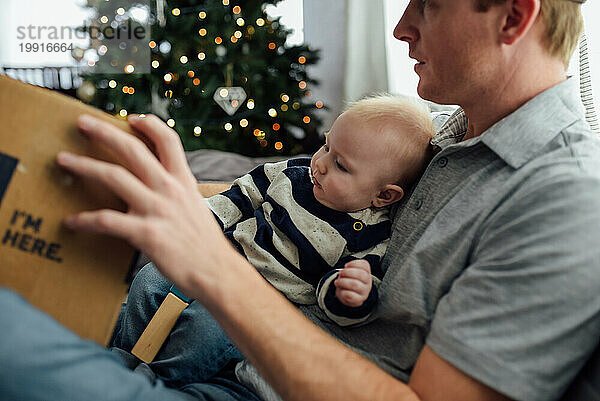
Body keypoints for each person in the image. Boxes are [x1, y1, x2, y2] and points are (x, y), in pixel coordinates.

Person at [1, 1, 599, 401]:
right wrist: (166, 195)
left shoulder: (566, 202)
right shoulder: (442, 129)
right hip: (229, 358)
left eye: (428, 5)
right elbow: (294, 188)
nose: (401, 28)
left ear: (513, 17)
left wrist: (208, 261)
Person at [111, 95, 435, 388]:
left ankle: (157, 378)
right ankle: (123, 350)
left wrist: (349, 293)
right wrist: (204, 220)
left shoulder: (368, 237)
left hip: (259, 301)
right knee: (151, 277)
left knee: (205, 330)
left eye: (340, 165)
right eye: (326, 146)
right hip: (221, 253)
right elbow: (243, 193)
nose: (320, 163)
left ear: (383, 195)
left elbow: (334, 297)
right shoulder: (295, 173)